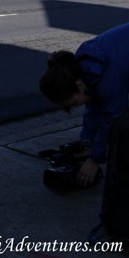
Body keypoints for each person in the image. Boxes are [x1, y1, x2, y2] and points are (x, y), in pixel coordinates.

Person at [39, 23, 129, 187]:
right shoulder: (85, 66)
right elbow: (94, 110)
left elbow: (112, 118)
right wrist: (86, 144)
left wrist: (94, 160)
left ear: (79, 85)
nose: (77, 106)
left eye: (74, 102)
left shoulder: (108, 79)